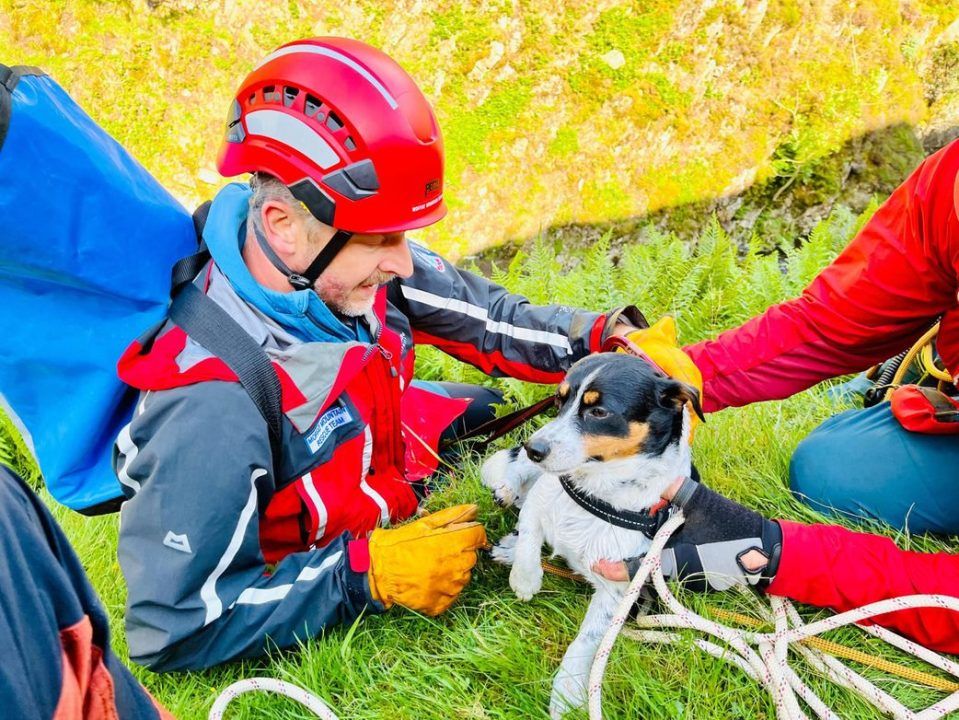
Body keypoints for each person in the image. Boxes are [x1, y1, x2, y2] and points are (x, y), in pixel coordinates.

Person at [113, 37, 639, 673]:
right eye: (383, 238)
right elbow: (175, 630)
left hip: (378, 440)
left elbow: (490, 320)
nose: (404, 261)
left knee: (486, 407)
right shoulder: (206, 405)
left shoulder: (349, 265)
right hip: (316, 528)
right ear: (281, 223)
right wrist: (364, 576)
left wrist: (605, 337)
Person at [596, 138, 959, 653]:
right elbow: (832, 325)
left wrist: (777, 554)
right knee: (830, 472)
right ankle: (895, 383)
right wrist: (664, 380)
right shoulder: (951, 184)